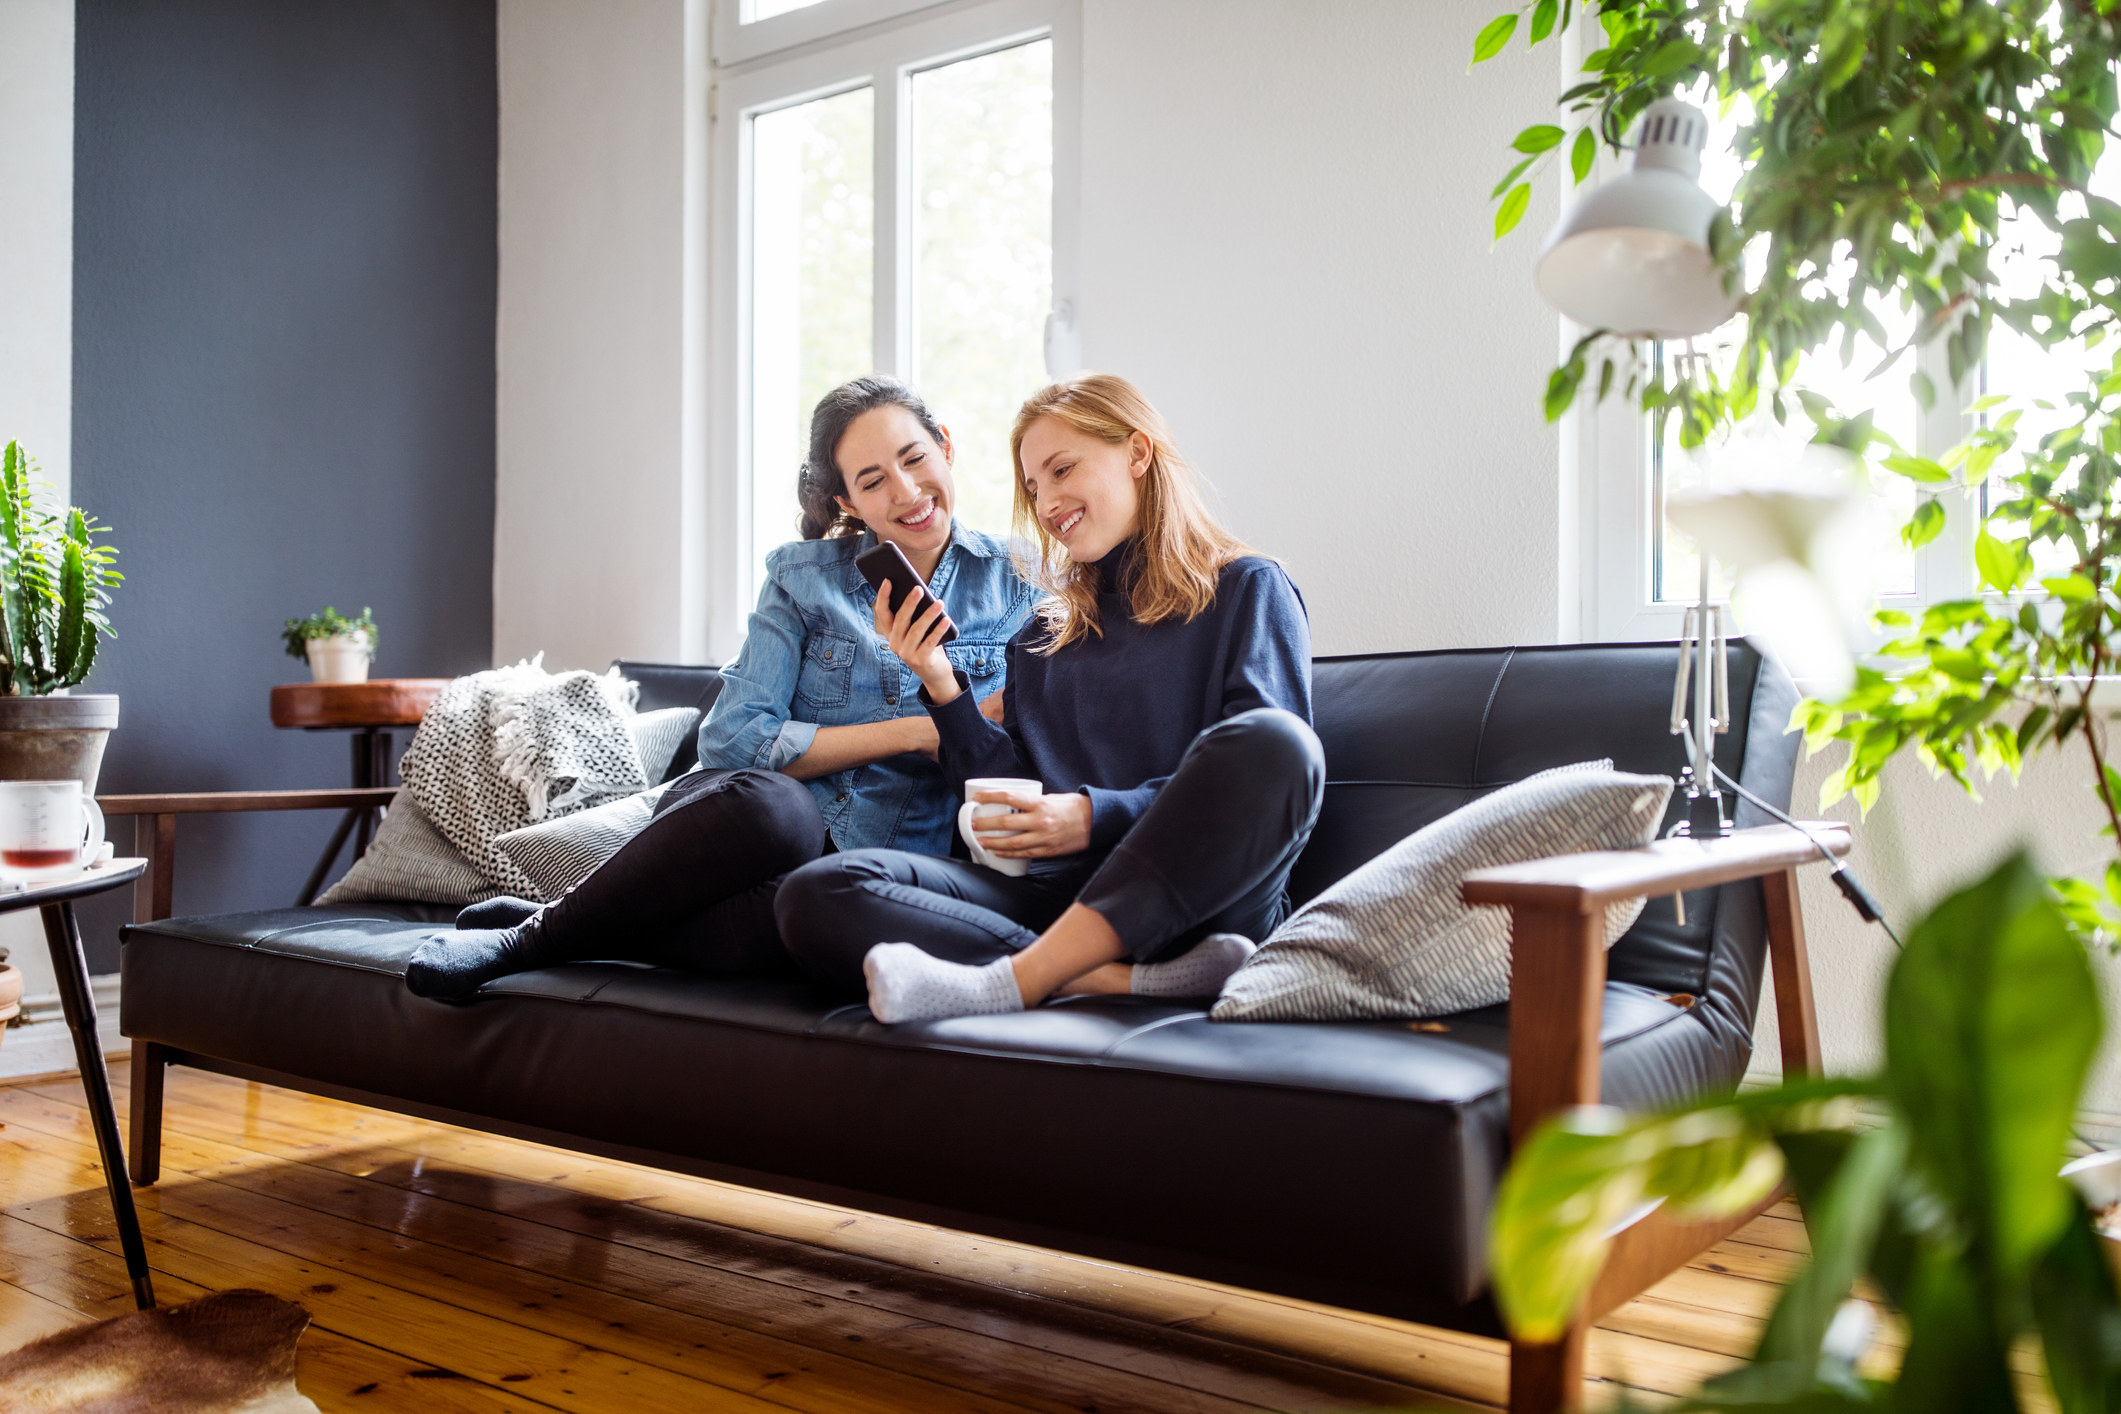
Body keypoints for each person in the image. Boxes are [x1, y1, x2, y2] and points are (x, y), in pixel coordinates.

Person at [404, 375, 1038, 999]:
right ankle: (530, 941)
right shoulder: (800, 580)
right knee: (781, 810)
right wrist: (918, 731)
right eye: (872, 481)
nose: (906, 492)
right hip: (744, 827)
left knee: (814, 913)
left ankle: (576, 921)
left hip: (872, 865)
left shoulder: (1024, 587)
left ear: (946, 447)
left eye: (915, 458)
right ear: (847, 503)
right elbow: (733, 740)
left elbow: (998, 768)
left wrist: (942, 708)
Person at [773, 373, 1325, 1022]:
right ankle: (1105, 978)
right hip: (1058, 894)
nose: (1047, 503)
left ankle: (1022, 976)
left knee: (1277, 742)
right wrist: (938, 680)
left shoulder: (1247, 588)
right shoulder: (1043, 631)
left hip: (1199, 905)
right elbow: (1011, 794)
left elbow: (1262, 779)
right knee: (819, 892)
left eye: (1062, 470)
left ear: (1138, 454)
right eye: (1033, 488)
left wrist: (1092, 817)